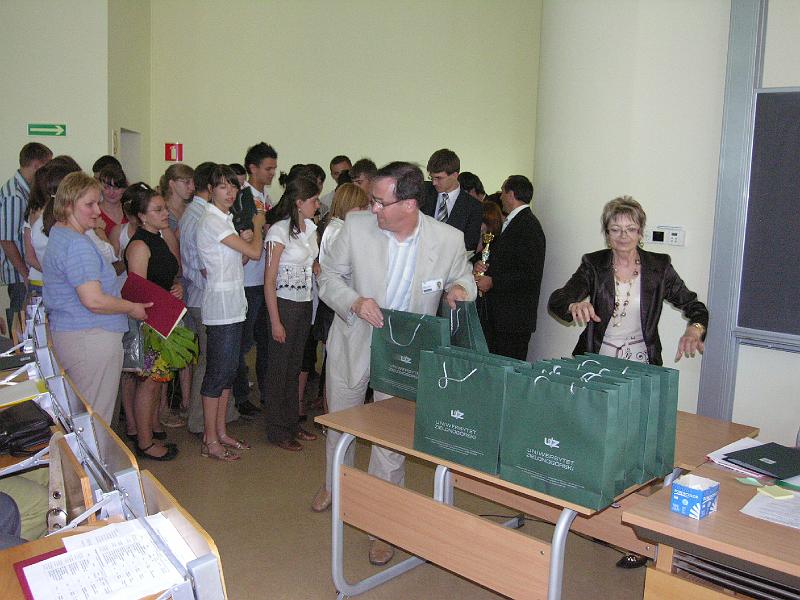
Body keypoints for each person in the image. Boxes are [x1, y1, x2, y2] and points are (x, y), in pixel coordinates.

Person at [313, 162, 476, 566]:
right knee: (341, 422)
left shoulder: (448, 239)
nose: (372, 209)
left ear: (409, 204)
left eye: (380, 202)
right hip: (354, 339)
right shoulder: (356, 227)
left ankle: (381, 525)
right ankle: (335, 485)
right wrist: (354, 301)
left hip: (405, 354)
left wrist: (459, 290)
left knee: (390, 441)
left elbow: (465, 278)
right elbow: (328, 277)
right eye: (372, 200)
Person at [42, 172, 150, 424]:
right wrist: (131, 307)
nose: (97, 211)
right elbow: (94, 300)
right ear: (68, 205)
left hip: (74, 333)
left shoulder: (60, 234)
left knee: (83, 415)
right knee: (94, 419)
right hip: (90, 338)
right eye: (89, 204)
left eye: (97, 204)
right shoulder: (77, 244)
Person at [548, 195, 708, 365]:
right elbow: (557, 300)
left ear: (640, 233)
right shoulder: (594, 264)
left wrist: (695, 329)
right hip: (597, 357)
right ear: (607, 234)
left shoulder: (659, 267)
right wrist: (573, 306)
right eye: (615, 229)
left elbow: (695, 307)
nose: (623, 235)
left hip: (642, 360)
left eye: (631, 229)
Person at [197, 165, 264, 461]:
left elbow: (242, 261)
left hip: (234, 304)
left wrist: (246, 239)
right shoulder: (212, 220)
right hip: (221, 306)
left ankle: (221, 431)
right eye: (223, 186)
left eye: (233, 186)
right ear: (211, 189)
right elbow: (255, 253)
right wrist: (258, 226)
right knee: (217, 373)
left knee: (228, 373)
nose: (230, 192)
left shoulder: (225, 219)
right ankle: (209, 439)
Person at [124, 183, 184, 461]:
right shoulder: (139, 245)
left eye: (164, 208)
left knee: (158, 380)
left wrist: (176, 288)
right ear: (141, 216)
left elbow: (166, 275)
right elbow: (138, 291)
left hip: (163, 318)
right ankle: (145, 442)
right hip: (149, 322)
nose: (165, 214)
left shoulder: (158, 237)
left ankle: (151, 425)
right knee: (148, 382)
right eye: (158, 210)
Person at [263, 175, 321, 450]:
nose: (317, 205)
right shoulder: (278, 231)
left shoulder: (310, 228)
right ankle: (277, 429)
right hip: (284, 304)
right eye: (313, 200)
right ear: (299, 202)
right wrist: (275, 321)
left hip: (304, 302)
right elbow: (269, 281)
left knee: (295, 366)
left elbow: (311, 262)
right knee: (280, 368)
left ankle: (292, 422)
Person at [475, 175, 546, 361]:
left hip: (513, 320)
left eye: (503, 192)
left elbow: (529, 275)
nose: (500, 197)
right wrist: (483, 265)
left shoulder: (528, 226)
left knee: (507, 368)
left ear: (511, 194)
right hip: (502, 317)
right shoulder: (516, 222)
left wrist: (493, 281)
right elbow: (507, 261)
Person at [232, 142, 278, 418]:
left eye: (274, 168)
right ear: (253, 168)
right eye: (268, 168)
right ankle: (240, 396)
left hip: (264, 279)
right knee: (242, 343)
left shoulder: (266, 197)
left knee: (265, 342)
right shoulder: (243, 197)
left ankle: (266, 392)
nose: (272, 173)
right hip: (247, 280)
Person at [1, 142, 52, 330]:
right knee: (24, 329)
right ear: (37, 165)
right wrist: (24, 273)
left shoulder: (25, 190)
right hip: (20, 274)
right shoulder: (14, 195)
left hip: (27, 271)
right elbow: (6, 240)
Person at [421, 148, 483, 253]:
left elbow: (469, 245)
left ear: (455, 175)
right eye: (432, 177)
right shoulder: (422, 191)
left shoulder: (473, 207)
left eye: (439, 178)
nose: (434, 183)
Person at [160, 163, 195, 236]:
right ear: (171, 183)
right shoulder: (160, 211)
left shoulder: (192, 208)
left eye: (193, 182)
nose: (192, 188)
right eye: (187, 182)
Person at [96, 163, 129, 239]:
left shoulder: (130, 211)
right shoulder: (94, 213)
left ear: (124, 188)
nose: (111, 192)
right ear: (100, 187)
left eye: (116, 187)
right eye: (106, 187)